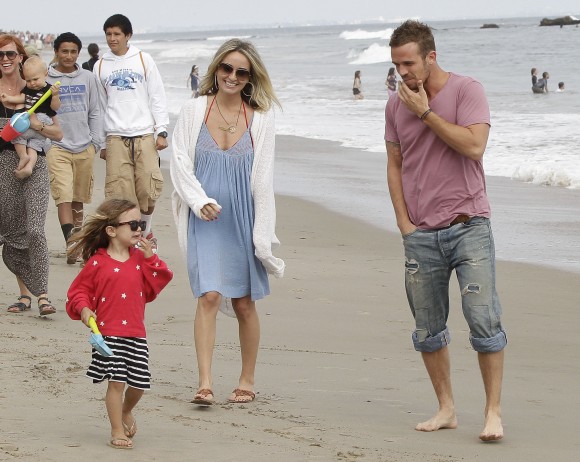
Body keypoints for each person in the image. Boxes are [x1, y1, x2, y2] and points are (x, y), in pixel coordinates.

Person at [385, 20, 506, 442]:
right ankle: (447, 408)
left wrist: (425, 113)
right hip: (421, 234)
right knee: (428, 327)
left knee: (483, 321)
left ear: (431, 56)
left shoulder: (467, 90)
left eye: (409, 63)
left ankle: (492, 412)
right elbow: (395, 163)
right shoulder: (394, 104)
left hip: (468, 226)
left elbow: (474, 146)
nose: (403, 73)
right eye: (397, 65)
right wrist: (403, 222)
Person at [170, 38, 285, 405]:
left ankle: (247, 379)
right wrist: (197, 200)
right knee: (209, 295)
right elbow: (179, 162)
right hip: (205, 217)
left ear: (250, 78)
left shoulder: (262, 121)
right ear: (216, 69)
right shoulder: (194, 112)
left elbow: (263, 182)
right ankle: (204, 382)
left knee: (244, 303)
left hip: (242, 219)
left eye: (241, 71)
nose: (231, 76)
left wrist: (261, 236)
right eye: (226, 68)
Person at [66, 198, 173, 449]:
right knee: (116, 382)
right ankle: (116, 430)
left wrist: (150, 260)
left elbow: (156, 285)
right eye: (133, 224)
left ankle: (126, 411)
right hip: (107, 333)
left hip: (136, 332)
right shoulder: (97, 263)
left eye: (141, 224)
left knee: (139, 384)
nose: (139, 229)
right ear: (111, 230)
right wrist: (83, 310)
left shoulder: (140, 260)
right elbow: (78, 292)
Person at [94, 14, 169, 251]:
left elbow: (157, 95)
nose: (112, 39)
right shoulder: (100, 65)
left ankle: (145, 231)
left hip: (144, 132)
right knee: (121, 194)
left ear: (128, 35)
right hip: (115, 135)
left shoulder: (143, 59)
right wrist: (102, 142)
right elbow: (100, 106)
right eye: (108, 34)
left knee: (148, 188)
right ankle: (133, 240)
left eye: (117, 34)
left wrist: (162, 130)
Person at [0, 34, 63, 316]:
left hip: (35, 162)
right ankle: (25, 294)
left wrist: (34, 125)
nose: (5, 59)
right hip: (4, 165)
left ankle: (43, 295)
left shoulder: (37, 89)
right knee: (14, 233)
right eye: (0, 55)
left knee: (36, 229)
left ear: (21, 57)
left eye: (10, 54)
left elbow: (58, 132)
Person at [46, 32, 104, 264]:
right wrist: (47, 143)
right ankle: (71, 243)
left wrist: (95, 142)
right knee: (64, 196)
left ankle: (78, 243)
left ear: (78, 53)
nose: (68, 56)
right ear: (57, 52)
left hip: (84, 146)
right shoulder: (47, 78)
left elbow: (95, 111)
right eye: (64, 51)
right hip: (57, 146)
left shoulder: (88, 78)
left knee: (79, 197)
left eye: (73, 51)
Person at [1, 56, 61, 179]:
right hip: (34, 122)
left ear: (46, 74)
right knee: (33, 146)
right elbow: (23, 98)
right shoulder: (29, 89)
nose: (32, 83)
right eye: (28, 80)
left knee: (17, 136)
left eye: (35, 79)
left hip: (42, 118)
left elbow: (55, 108)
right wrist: (9, 98)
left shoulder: (48, 90)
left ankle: (23, 156)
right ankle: (29, 167)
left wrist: (55, 96)